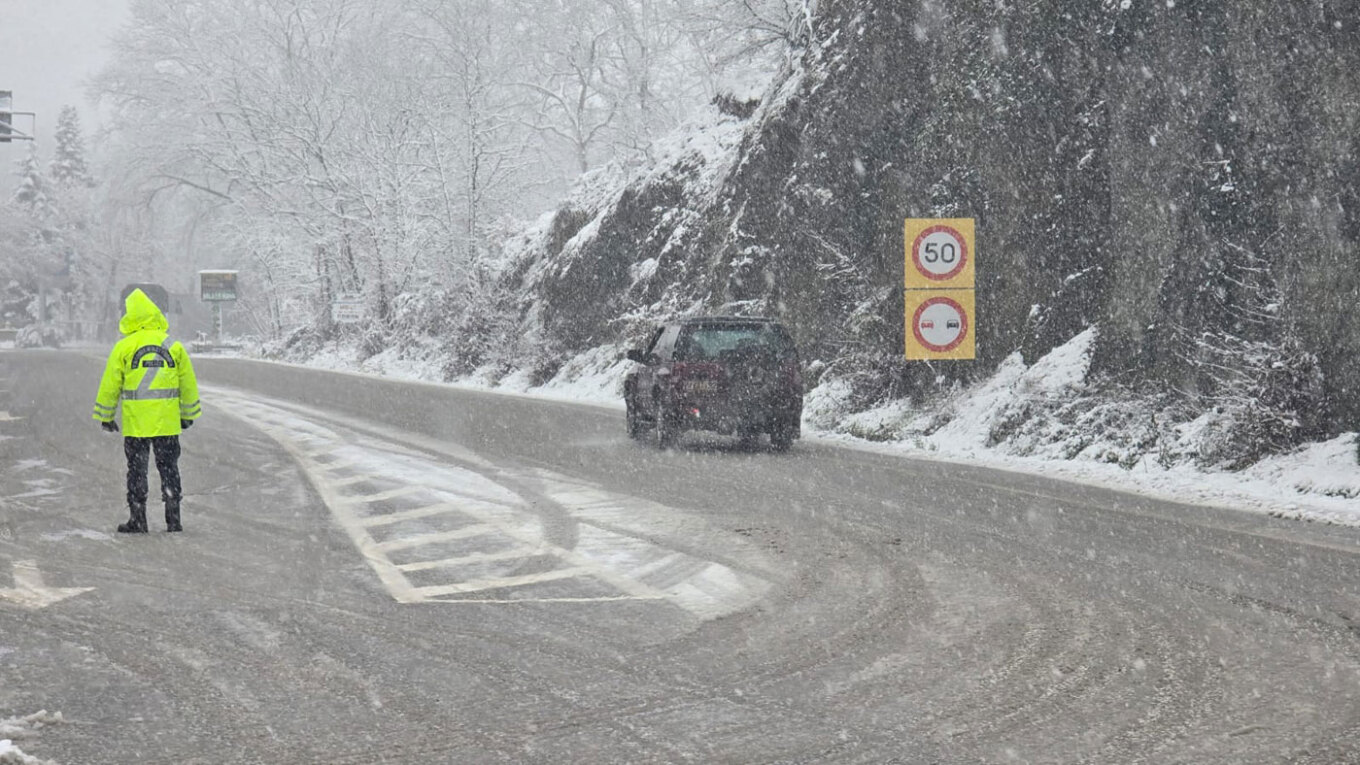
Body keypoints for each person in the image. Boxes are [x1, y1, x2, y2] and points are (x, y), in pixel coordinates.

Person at [92, 288, 202, 533]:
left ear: (130, 315)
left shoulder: (124, 347)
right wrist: (187, 415)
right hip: (167, 423)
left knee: (137, 471)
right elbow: (187, 382)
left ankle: (138, 519)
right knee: (169, 469)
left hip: (136, 424)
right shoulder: (173, 346)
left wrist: (106, 416)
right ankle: (173, 519)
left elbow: (111, 384)